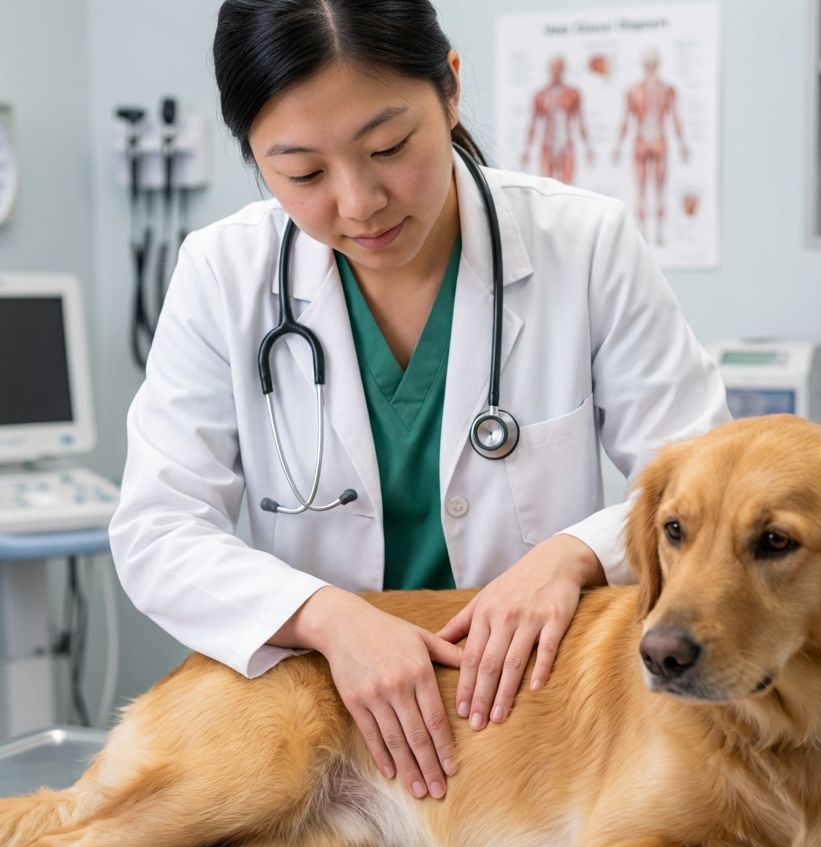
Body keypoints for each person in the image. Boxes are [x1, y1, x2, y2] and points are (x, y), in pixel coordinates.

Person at [109, 0, 728, 806]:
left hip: (531, 723)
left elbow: (703, 482)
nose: (360, 202)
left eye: (390, 147)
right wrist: (326, 618)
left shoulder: (583, 244)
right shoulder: (223, 274)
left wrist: (573, 555)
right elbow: (158, 528)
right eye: (302, 172)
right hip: (330, 715)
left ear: (452, 90)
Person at [613, 49, 689, 246]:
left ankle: (651, 235)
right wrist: (682, 144)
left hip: (647, 139)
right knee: (650, 189)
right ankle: (652, 235)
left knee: (648, 190)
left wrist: (619, 146)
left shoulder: (639, 91)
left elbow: (674, 119)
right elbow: (674, 120)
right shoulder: (661, 90)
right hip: (655, 138)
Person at [521, 56, 593, 185]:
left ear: (563, 70)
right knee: (547, 186)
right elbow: (533, 124)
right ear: (549, 69)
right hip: (547, 144)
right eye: (554, 69)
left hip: (566, 144)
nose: (556, 72)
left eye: (559, 69)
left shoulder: (573, 93)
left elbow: (580, 121)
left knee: (568, 186)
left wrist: (588, 147)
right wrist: (526, 150)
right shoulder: (540, 95)